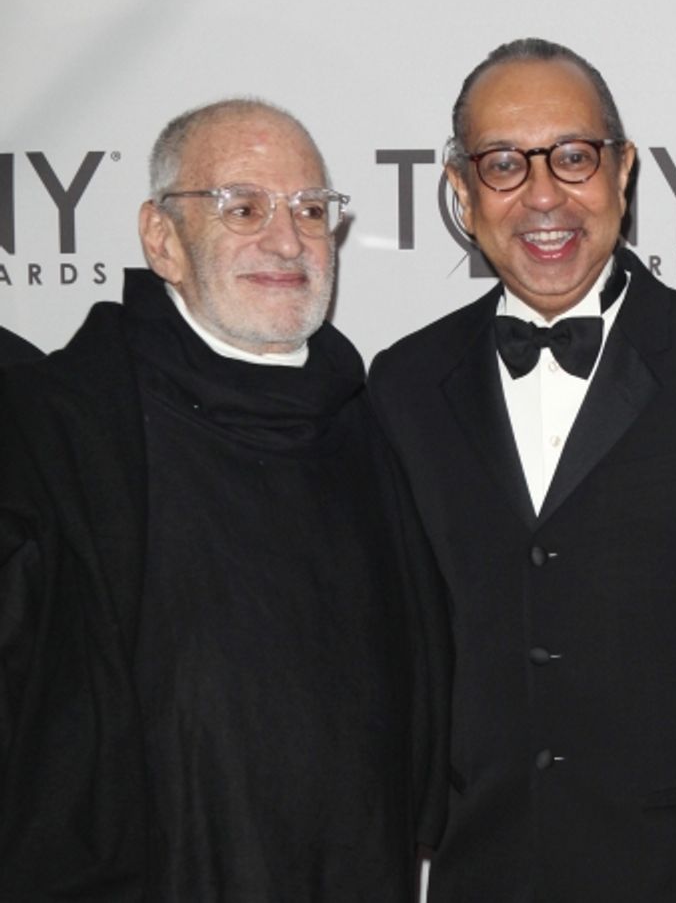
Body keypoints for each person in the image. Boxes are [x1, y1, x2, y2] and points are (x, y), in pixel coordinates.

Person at [369, 38, 676, 902]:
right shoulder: (404, 385)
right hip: (488, 874)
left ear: (623, 174)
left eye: (575, 157)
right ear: (461, 193)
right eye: (505, 163)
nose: (544, 194)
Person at [0, 98, 432, 901]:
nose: (287, 239)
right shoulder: (52, 435)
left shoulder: (377, 427)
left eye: (310, 209)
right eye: (242, 208)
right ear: (162, 240)